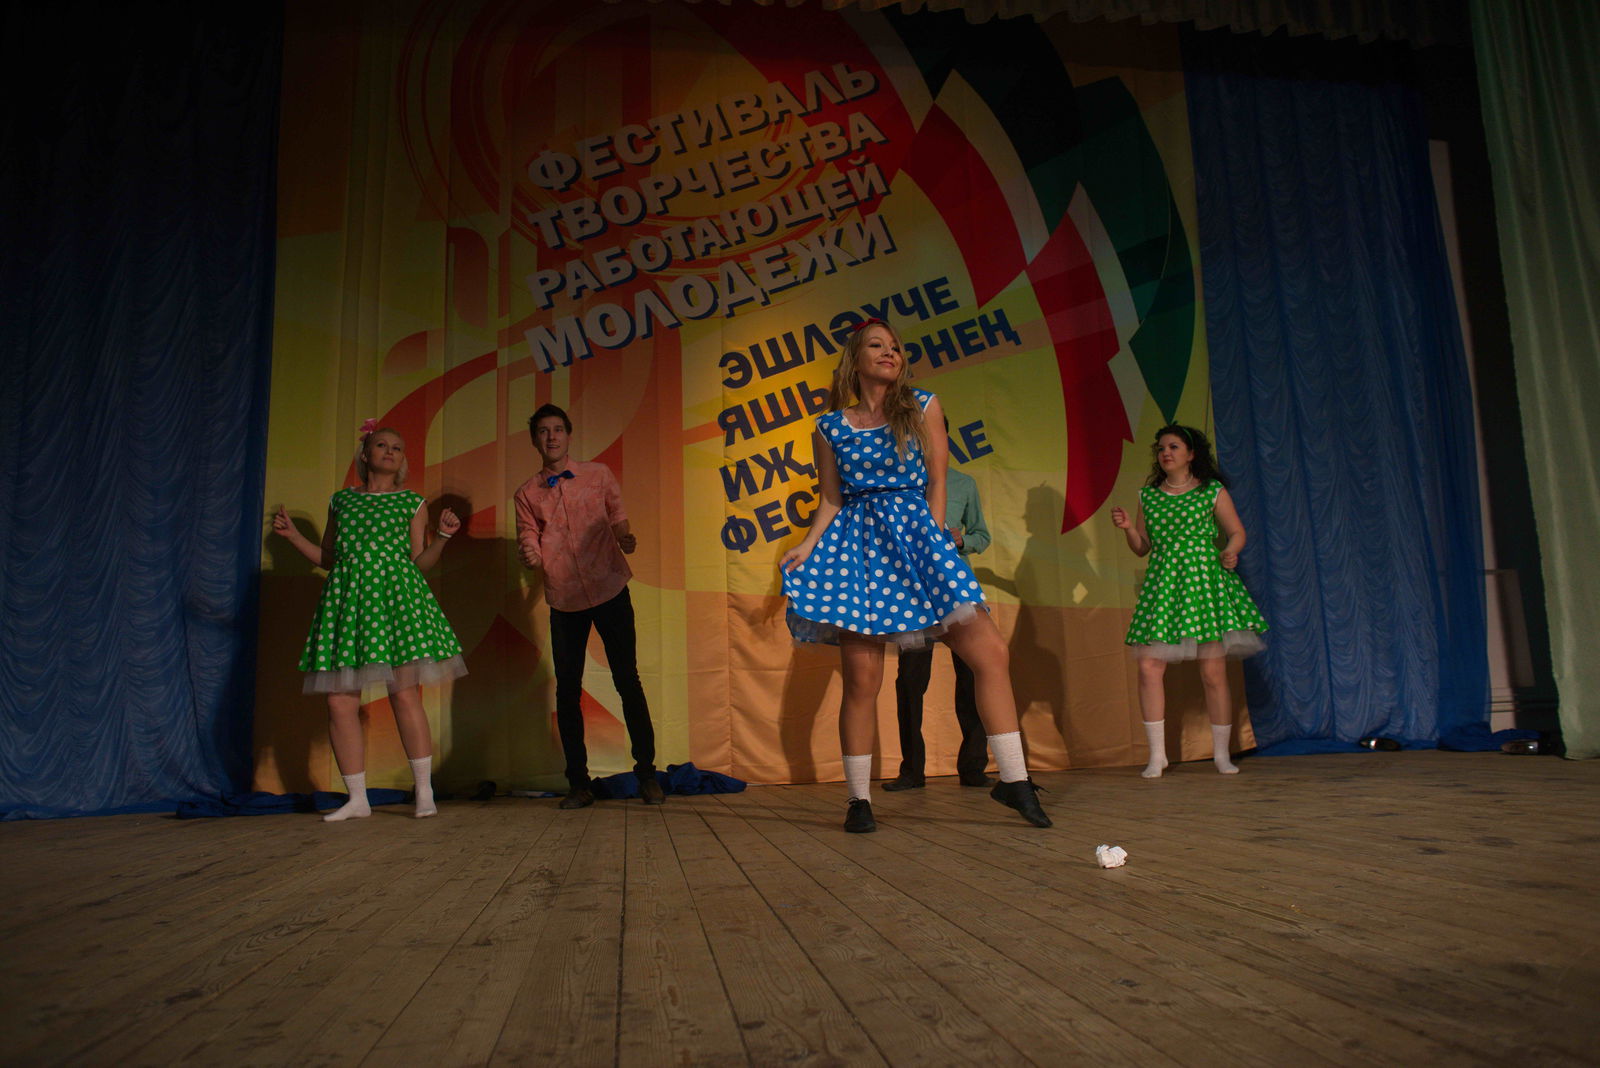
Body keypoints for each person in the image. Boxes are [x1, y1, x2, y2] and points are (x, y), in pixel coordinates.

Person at [780, 318, 1050, 833]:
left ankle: (1014, 780)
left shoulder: (923, 406)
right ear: (855, 360)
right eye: (876, 346)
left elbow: (938, 481)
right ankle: (858, 800)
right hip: (859, 551)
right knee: (863, 680)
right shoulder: (830, 427)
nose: (890, 353)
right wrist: (808, 544)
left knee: (991, 652)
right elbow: (831, 497)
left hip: (918, 537)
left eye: (895, 348)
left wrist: (935, 540)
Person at [273, 421, 467, 821]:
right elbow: (331, 558)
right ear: (365, 454)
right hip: (349, 603)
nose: (390, 451)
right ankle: (357, 798)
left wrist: (443, 538)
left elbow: (419, 563)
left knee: (404, 694)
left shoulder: (411, 503)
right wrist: (293, 537)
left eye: (397, 447)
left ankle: (424, 792)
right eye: (382, 445)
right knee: (339, 699)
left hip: (396, 602)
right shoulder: (341, 501)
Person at [514, 403, 663, 809]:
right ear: (535, 440)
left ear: (568, 434)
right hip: (565, 598)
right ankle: (578, 784)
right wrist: (530, 554)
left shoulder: (598, 475)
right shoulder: (526, 493)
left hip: (609, 586)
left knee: (627, 679)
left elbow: (617, 515)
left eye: (558, 429)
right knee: (567, 690)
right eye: (543, 431)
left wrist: (625, 536)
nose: (551, 437)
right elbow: (528, 535)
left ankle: (647, 775)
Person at [1110, 424, 1267, 777]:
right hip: (1164, 585)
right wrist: (1129, 529)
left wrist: (1230, 551)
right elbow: (1142, 548)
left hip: (1203, 583)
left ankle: (1221, 755)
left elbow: (1236, 532)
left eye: (1174, 447)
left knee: (1212, 671)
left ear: (1191, 454)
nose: (1166, 453)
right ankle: (1157, 756)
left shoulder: (1211, 491)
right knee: (1149, 667)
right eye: (1161, 448)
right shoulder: (1149, 496)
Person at [884, 418, 994, 792]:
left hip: (956, 592)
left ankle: (973, 767)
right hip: (914, 595)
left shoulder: (963, 483)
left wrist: (963, 541)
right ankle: (911, 771)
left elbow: (982, 535)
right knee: (910, 683)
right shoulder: (899, 483)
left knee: (973, 676)